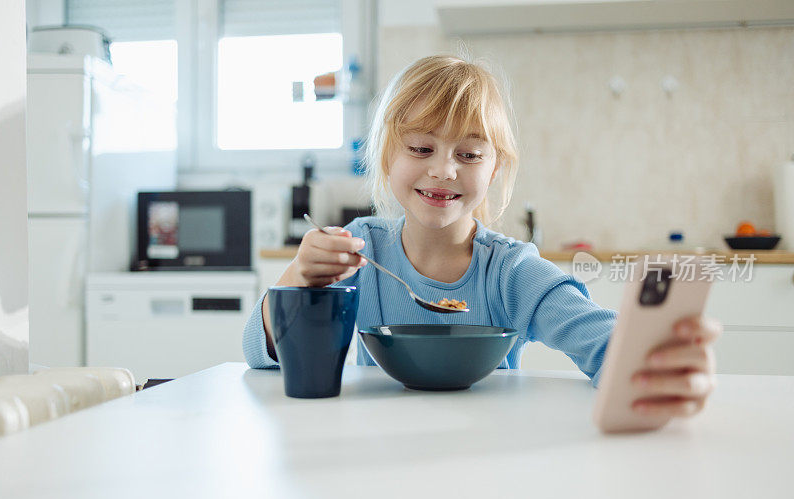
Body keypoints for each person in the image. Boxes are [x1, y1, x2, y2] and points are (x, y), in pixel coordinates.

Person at [244, 55, 721, 418]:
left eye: (470, 155)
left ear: (493, 172)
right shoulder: (361, 252)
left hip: (491, 461)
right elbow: (259, 357)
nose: (444, 169)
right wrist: (298, 278)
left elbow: (606, 345)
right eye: (421, 147)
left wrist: (663, 360)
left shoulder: (512, 272)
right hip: (380, 454)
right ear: (389, 156)